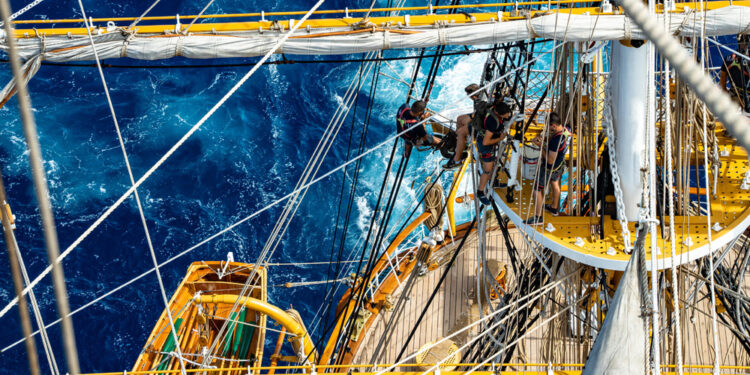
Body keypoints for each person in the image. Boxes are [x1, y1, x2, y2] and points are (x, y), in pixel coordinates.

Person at [525, 112, 571, 225]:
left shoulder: (556, 140)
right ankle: (554, 209)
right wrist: (545, 140)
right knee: (555, 184)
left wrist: (540, 146)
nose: (547, 128)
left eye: (549, 126)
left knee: (536, 189)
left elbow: (550, 160)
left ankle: (538, 217)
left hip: (550, 168)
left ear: (554, 126)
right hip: (560, 166)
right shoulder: (566, 129)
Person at [475, 100, 513, 205]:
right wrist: (500, 138)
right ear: (499, 114)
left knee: (492, 166)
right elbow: (486, 142)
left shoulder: (493, 109)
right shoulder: (492, 121)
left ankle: (494, 181)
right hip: (485, 147)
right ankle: (480, 192)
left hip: (487, 140)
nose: (508, 115)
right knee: (487, 170)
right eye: (506, 114)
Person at [442, 83, 486, 170]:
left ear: (472, 95)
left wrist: (469, 120)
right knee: (459, 118)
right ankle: (461, 145)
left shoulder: (479, 101)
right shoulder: (481, 94)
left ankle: (457, 160)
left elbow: (479, 116)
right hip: (479, 116)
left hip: (483, 123)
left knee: (461, 132)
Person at [719, 35, 750, 110]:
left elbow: (723, 78)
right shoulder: (747, 59)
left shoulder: (728, 58)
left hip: (734, 95)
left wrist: (725, 91)